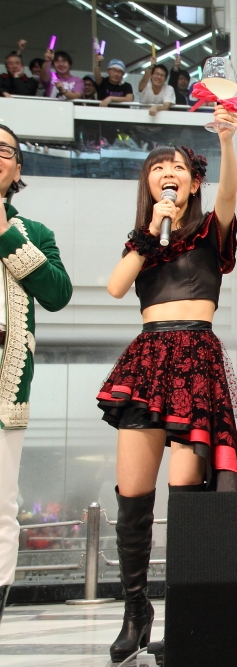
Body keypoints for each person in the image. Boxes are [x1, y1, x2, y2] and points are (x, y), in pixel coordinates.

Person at [96, 105, 237, 664]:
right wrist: (147, 233)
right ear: (149, 184)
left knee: (186, 500)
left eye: (176, 166)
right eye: (157, 168)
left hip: (195, 358)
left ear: (193, 181)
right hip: (147, 359)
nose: (167, 173)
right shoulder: (143, 238)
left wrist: (226, 142)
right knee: (133, 498)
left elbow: (229, 194)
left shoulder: (209, 231)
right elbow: (115, 288)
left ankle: (184, 612)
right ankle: (136, 610)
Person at [0, 123, 73, 632]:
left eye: (4, 150)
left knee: (1, 501)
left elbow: (58, 293)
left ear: (18, 169)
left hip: (7, 371)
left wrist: (6, 233)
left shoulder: (34, 232)